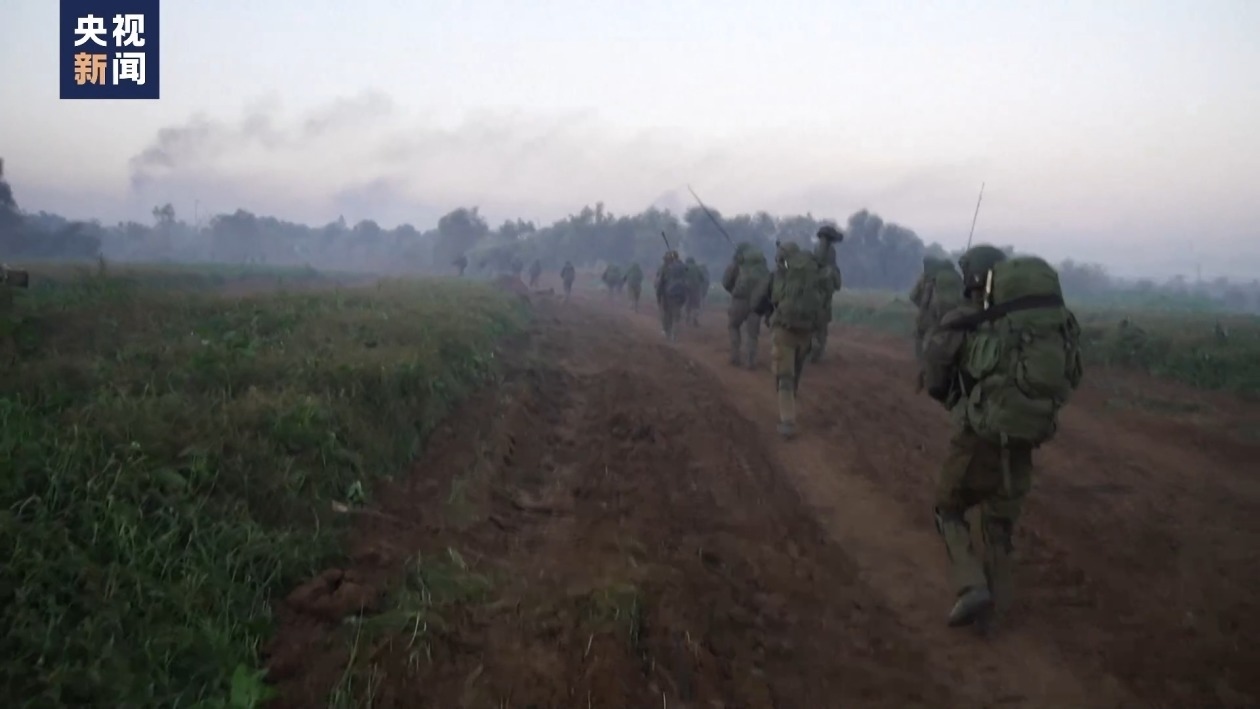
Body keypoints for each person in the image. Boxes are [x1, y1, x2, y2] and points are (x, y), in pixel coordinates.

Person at [920, 244, 1084, 632]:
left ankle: (971, 585)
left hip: (979, 436)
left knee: (948, 508)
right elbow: (1072, 376)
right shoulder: (1034, 326)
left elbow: (935, 378)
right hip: (1025, 435)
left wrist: (957, 399)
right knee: (999, 525)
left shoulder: (966, 320)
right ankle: (997, 611)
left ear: (972, 278)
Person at [752, 241, 829, 438]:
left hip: (784, 331)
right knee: (795, 372)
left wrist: (769, 309)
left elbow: (757, 303)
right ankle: (789, 404)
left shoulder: (776, 276)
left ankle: (787, 421)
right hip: (806, 333)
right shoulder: (811, 276)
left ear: (781, 257)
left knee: (785, 377)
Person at [911, 256, 965, 390]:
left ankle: (924, 375)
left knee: (925, 345)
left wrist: (924, 310)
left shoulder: (928, 278)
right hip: (955, 318)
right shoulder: (956, 277)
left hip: (930, 319)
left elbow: (914, 297)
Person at [722, 242, 770, 368]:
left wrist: (734, 291)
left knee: (733, 326)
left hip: (740, 300)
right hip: (757, 303)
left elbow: (726, 282)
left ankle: (735, 356)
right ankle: (750, 361)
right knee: (752, 334)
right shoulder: (763, 266)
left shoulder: (738, 263)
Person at [810, 225, 844, 362]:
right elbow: (837, 285)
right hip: (823, 300)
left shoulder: (818, 251)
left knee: (815, 326)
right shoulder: (830, 258)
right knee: (820, 327)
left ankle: (814, 351)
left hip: (818, 299)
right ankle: (817, 351)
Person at [655, 251, 690, 342]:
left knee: (667, 314)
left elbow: (660, 283)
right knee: (676, 315)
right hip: (681, 294)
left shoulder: (665, 268)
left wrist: (658, 296)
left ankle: (667, 332)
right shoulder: (681, 267)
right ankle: (674, 335)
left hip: (669, 294)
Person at [684, 257, 705, 326]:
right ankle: (695, 318)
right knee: (696, 304)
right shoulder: (697, 268)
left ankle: (687, 317)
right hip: (696, 288)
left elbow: (683, 276)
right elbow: (702, 278)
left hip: (687, 288)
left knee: (687, 303)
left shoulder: (685, 267)